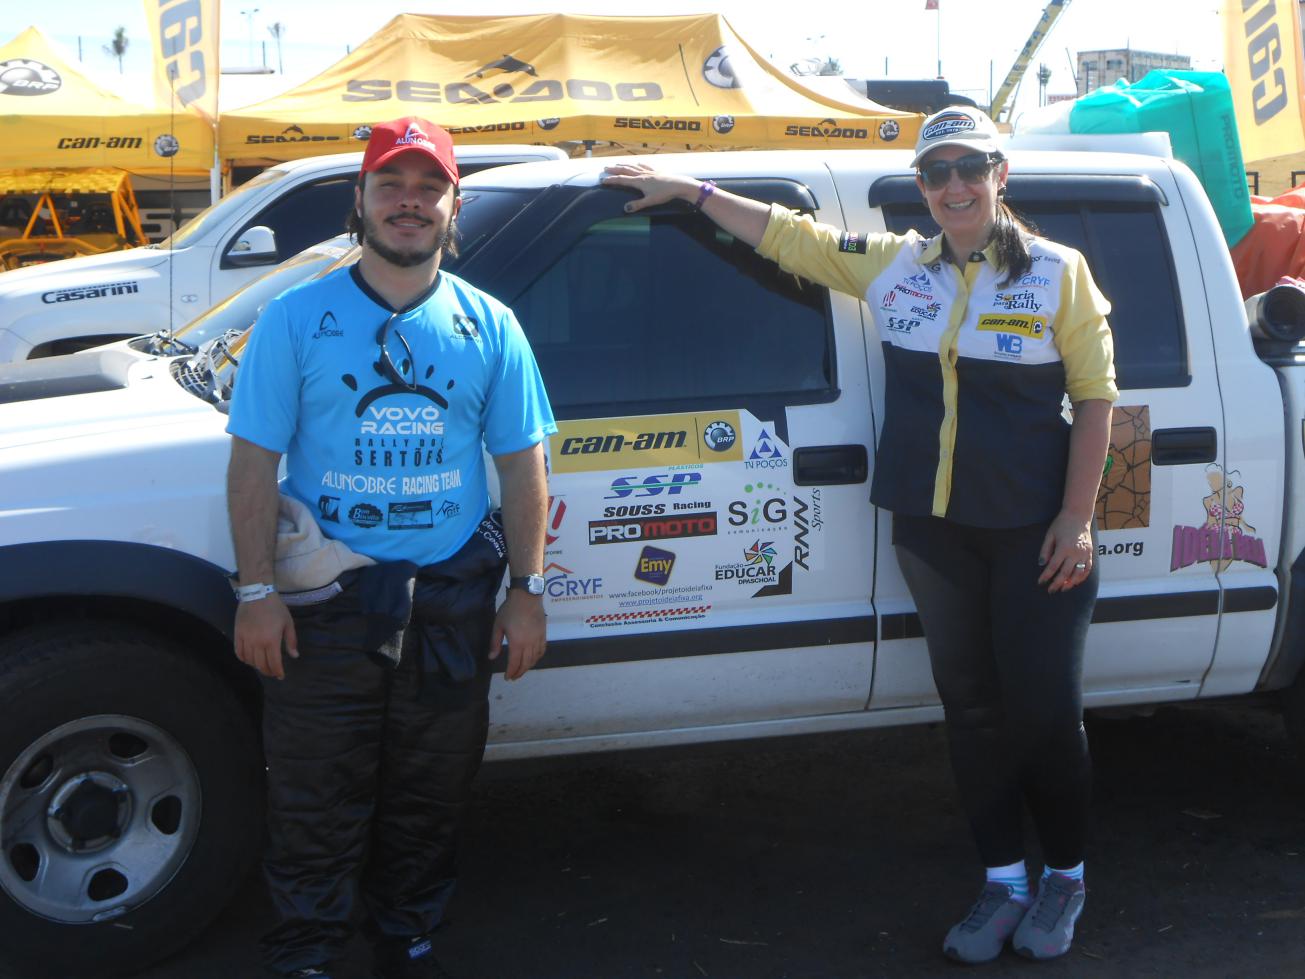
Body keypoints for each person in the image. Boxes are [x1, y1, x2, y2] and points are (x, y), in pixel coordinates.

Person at [602, 104, 1115, 965]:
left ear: (998, 175)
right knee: (971, 711)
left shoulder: (1057, 272)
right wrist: (692, 190)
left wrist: (1076, 516)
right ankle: (1003, 880)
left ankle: (1064, 876)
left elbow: (1096, 398)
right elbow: (787, 237)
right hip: (932, 531)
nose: (953, 184)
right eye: (936, 172)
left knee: (1043, 715)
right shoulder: (894, 265)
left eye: (969, 167)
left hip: (1034, 532)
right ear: (920, 186)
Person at [226, 116, 556, 979]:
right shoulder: (294, 319)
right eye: (391, 185)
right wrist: (256, 593)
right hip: (325, 605)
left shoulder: (491, 325)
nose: (409, 202)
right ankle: (307, 952)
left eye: (428, 187)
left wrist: (527, 590)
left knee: (430, 790)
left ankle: (407, 936)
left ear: (454, 205)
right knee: (313, 793)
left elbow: (522, 464)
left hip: (450, 599)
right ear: (361, 200)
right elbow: (253, 462)